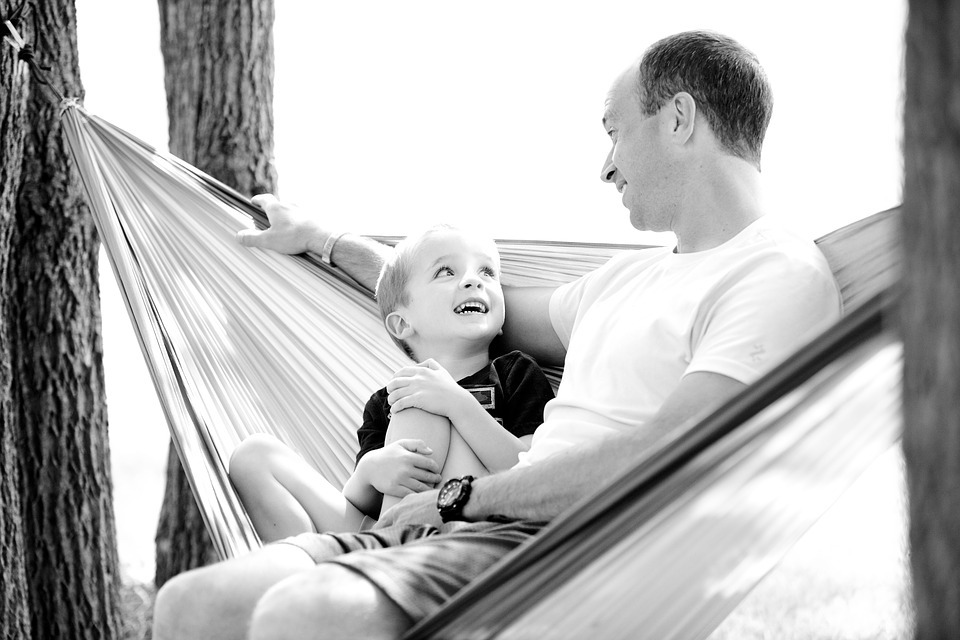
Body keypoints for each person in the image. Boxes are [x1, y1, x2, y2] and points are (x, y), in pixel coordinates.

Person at [152, 30, 842, 640]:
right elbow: (463, 304)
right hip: (456, 524)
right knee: (194, 606)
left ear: (680, 119)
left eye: (613, 130)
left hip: (552, 545)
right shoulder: (624, 281)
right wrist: (325, 241)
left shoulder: (774, 275)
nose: (605, 165)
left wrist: (459, 499)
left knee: (302, 617)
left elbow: (670, 453)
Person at [228, 225, 555, 540]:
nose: (474, 281)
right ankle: (308, 565)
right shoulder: (387, 400)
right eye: (446, 272)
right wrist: (370, 471)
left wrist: (457, 405)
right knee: (253, 456)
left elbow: (532, 474)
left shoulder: (515, 372)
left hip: (476, 530)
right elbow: (363, 503)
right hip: (389, 533)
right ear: (402, 324)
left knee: (421, 397)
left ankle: (380, 557)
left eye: (487, 272)